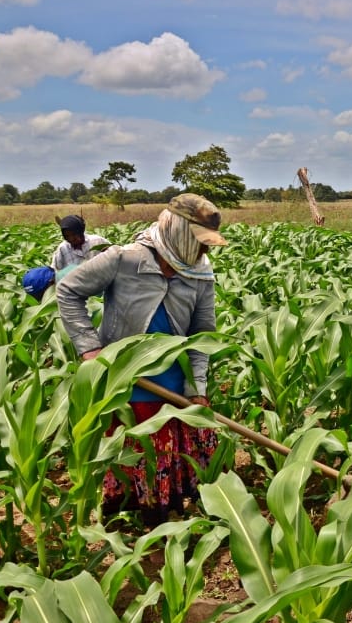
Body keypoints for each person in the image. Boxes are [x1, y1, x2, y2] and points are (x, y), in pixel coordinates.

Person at [56, 194, 228, 524]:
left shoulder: (201, 275)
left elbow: (201, 336)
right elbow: (68, 290)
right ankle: (127, 517)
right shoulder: (124, 259)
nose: (204, 251)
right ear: (178, 230)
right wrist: (90, 348)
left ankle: (162, 519)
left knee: (167, 459)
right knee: (129, 451)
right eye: (200, 242)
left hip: (172, 389)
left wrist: (198, 389)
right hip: (126, 386)